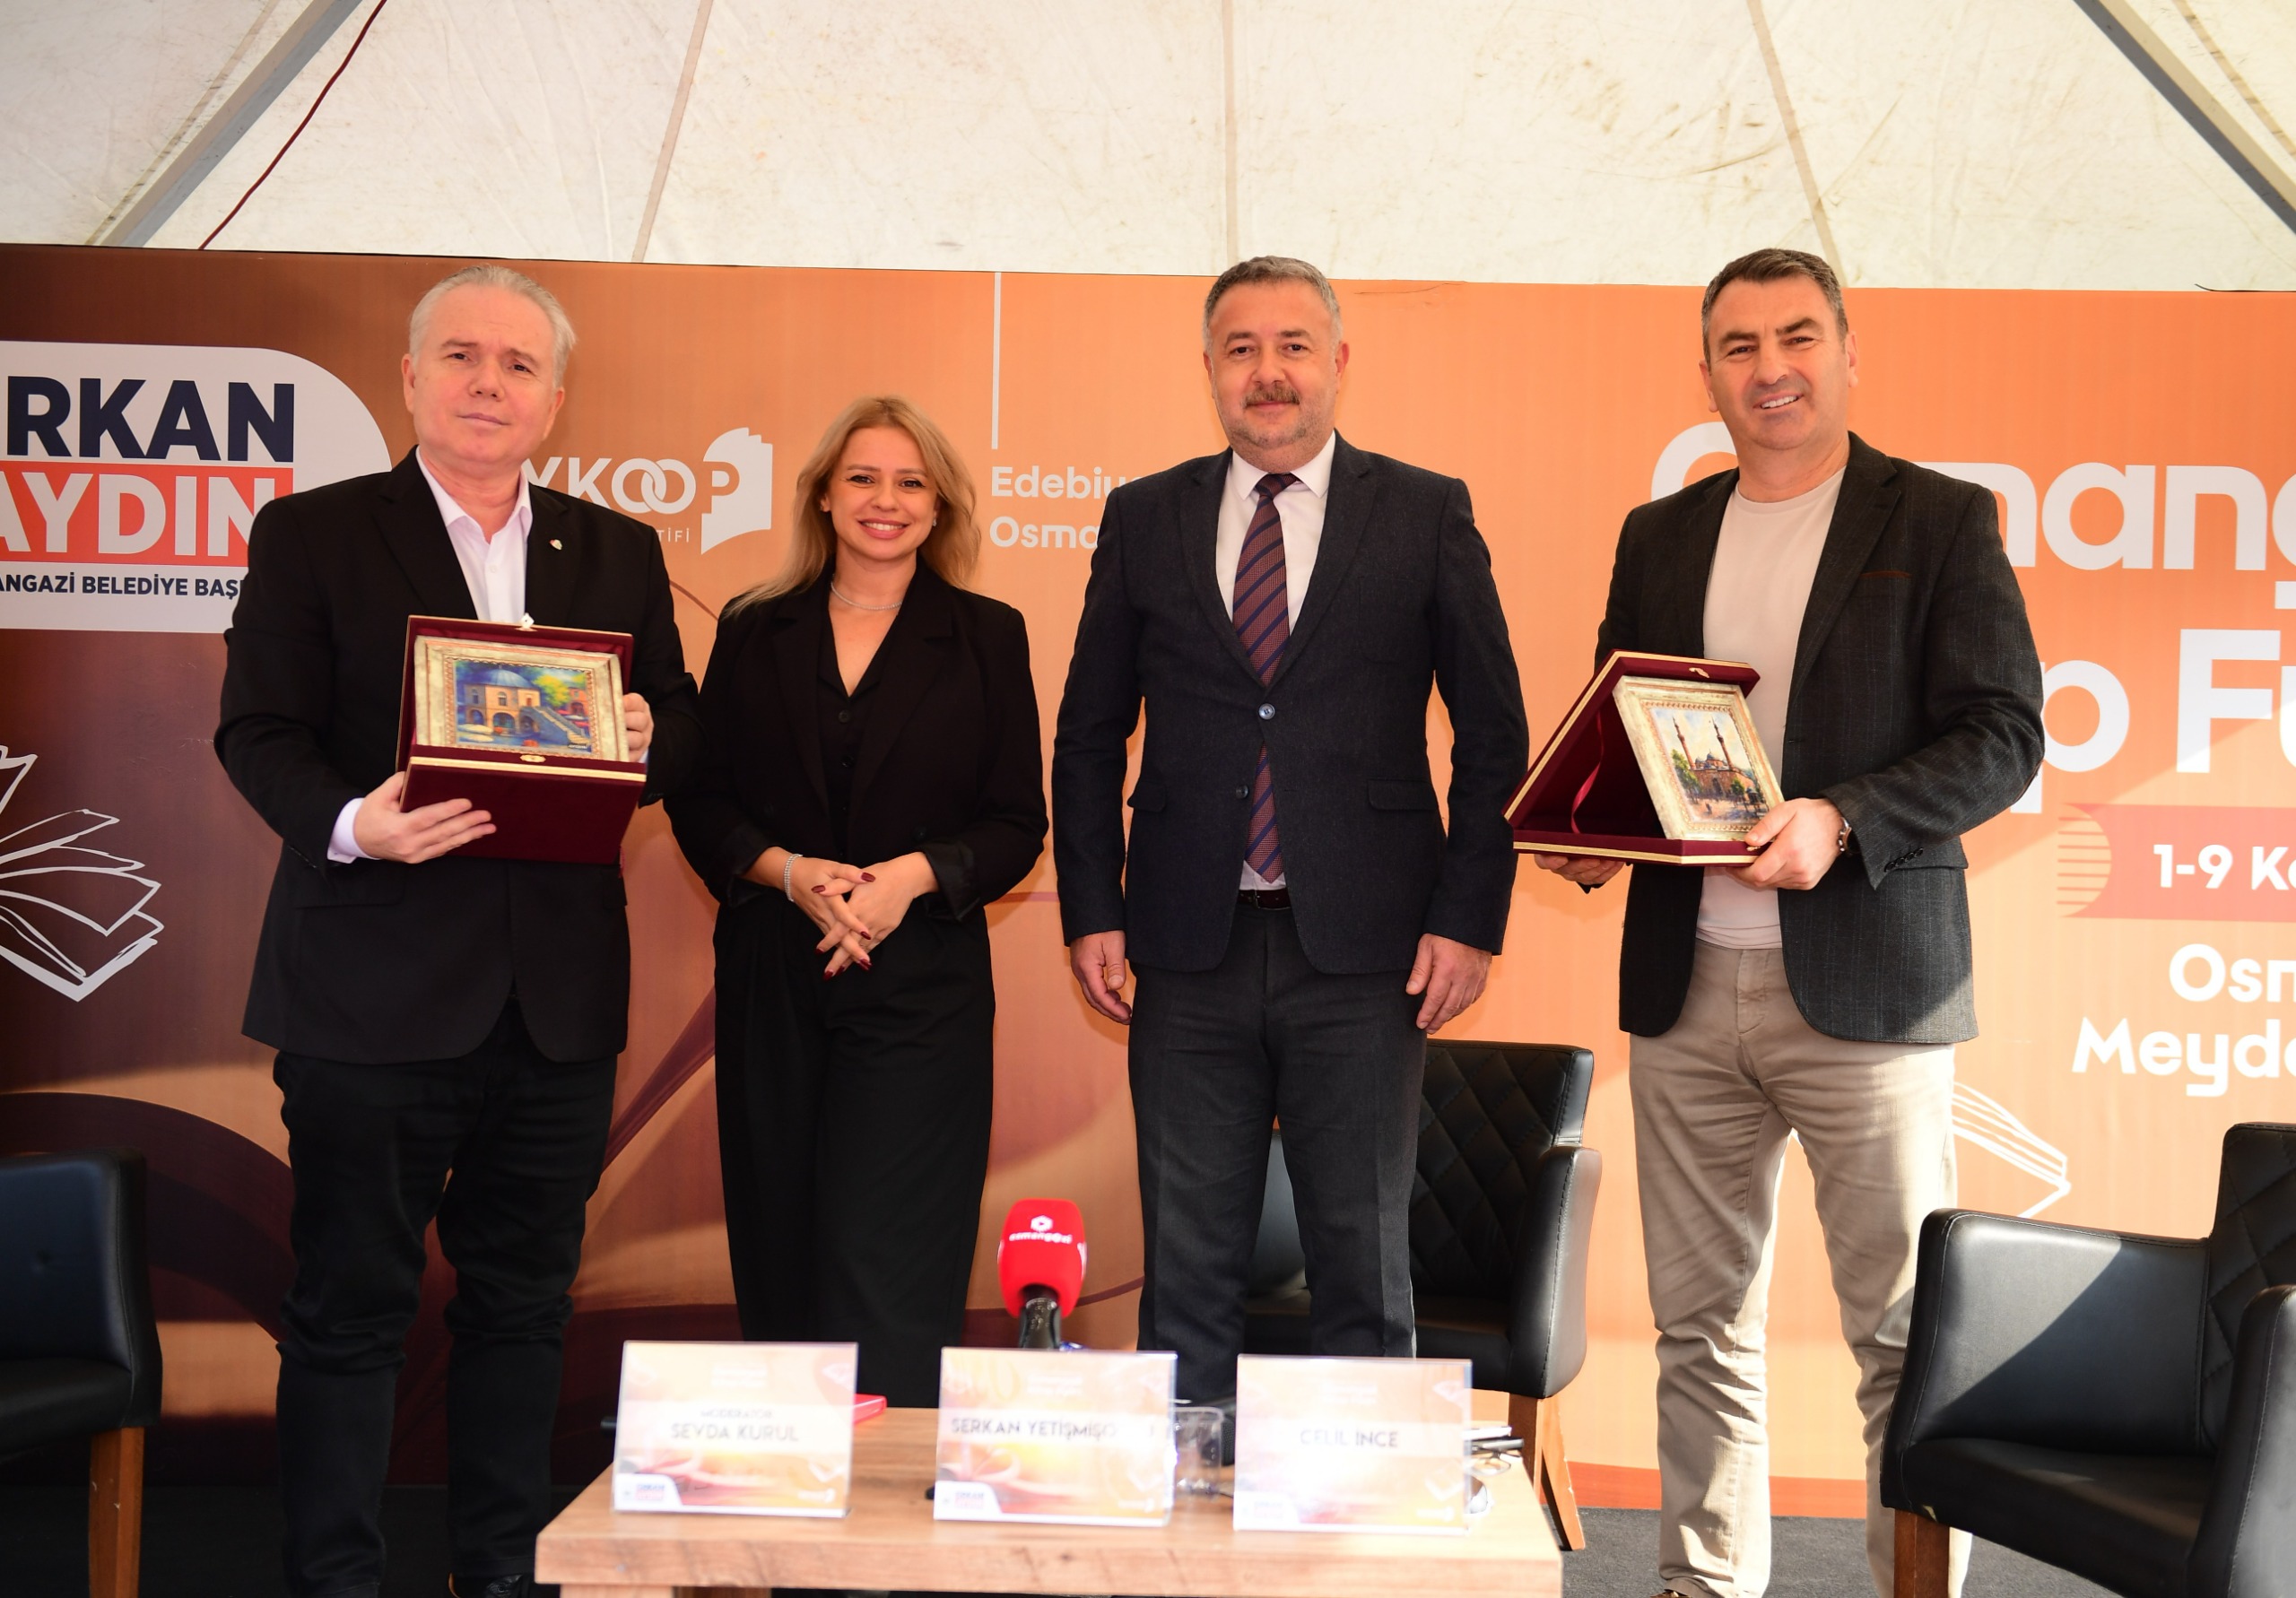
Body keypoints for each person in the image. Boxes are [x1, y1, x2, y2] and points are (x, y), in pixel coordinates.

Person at [1535, 248, 2042, 1598]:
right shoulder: (1660, 534)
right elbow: (1629, 725)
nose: (1771, 369)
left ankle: (1913, 1587)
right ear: (1706, 372)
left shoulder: (1939, 519)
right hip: (1686, 982)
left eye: (1798, 337)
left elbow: (2003, 734)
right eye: (1740, 345)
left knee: (1900, 1336)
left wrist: (1846, 818)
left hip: (1871, 989)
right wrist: (1592, 826)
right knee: (1698, 1328)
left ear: (1849, 352)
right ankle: (1700, 1584)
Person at [216, 264, 701, 1598]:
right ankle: (336, 1579)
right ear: (411, 378)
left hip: (555, 1007)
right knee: (348, 1309)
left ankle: (499, 1571)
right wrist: (350, 822)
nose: (490, 384)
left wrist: (649, 734)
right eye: (462, 357)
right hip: (365, 994)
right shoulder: (313, 534)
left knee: (524, 1307)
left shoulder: (616, 549)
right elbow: (257, 731)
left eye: (519, 364)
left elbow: (680, 719)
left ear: (555, 398)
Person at [1051, 256, 1528, 1406]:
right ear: (1210, 368)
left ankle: (1361, 1517)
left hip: (1367, 955)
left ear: (1338, 362)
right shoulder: (1144, 515)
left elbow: (1494, 735)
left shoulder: (1423, 510)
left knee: (1362, 1266)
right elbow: (1087, 734)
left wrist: (1468, 918)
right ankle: (1189, 1507)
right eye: (1241, 350)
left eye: (1293, 347)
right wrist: (1092, 909)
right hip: (1184, 948)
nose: (1267, 373)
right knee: (1185, 1274)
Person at [667, 396, 1046, 1408]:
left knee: (892, 1258)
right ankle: (790, 1482)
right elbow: (700, 799)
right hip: (773, 973)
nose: (888, 500)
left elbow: (1017, 822)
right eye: (865, 478)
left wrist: (910, 878)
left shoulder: (987, 635)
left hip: (921, 986)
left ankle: (884, 1495)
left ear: (941, 506)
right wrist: (788, 872)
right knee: (779, 1238)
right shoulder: (753, 626)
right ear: (824, 497)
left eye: (912, 482)